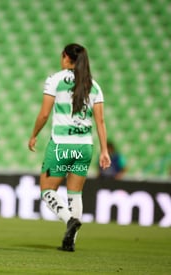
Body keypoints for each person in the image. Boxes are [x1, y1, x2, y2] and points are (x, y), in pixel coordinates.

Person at [28, 43, 111, 252]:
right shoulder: (94, 85)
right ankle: (70, 243)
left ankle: (69, 220)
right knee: (75, 194)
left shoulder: (55, 80)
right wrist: (104, 151)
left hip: (61, 146)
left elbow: (44, 114)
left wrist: (34, 135)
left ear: (65, 57)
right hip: (84, 147)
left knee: (47, 191)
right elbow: (100, 122)